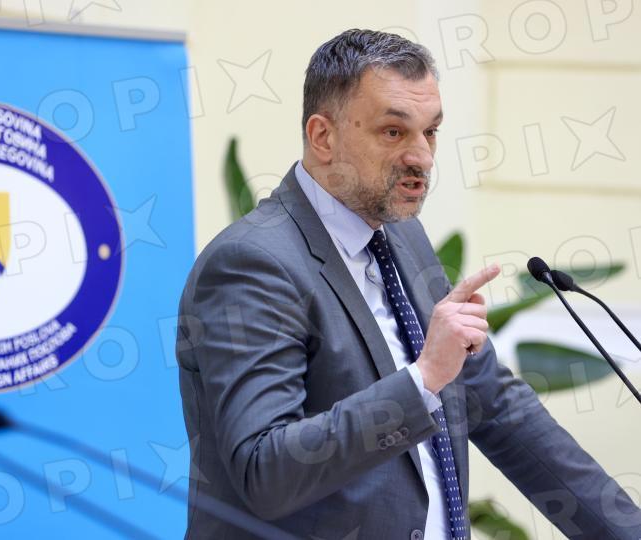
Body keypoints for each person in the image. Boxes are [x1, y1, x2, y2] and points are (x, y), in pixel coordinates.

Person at [175, 29, 641, 539]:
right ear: (323, 136)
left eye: (431, 132)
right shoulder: (253, 263)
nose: (422, 156)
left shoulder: (402, 237)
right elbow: (264, 470)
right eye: (394, 132)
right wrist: (423, 380)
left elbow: (500, 410)